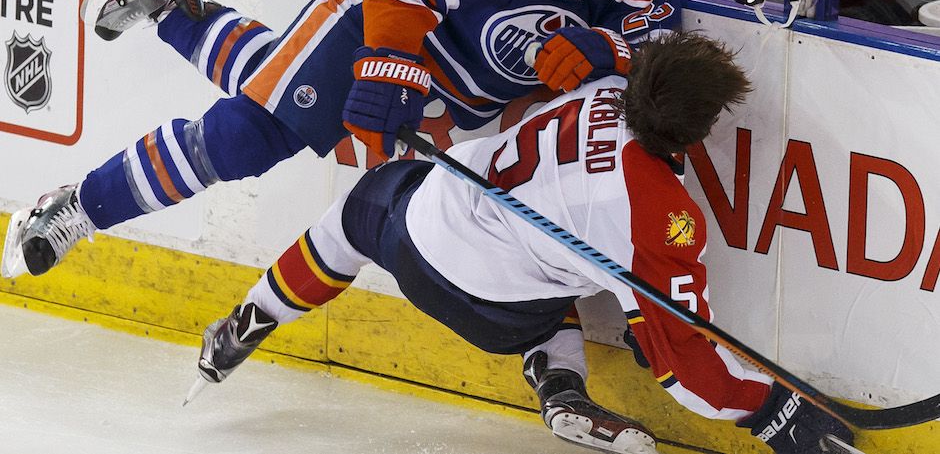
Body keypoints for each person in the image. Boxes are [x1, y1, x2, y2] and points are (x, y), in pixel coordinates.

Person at [2, 0, 681, 284]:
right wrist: (390, 63)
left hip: (460, 83)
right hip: (376, 16)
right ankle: (77, 209)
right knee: (249, 137)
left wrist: (609, 47)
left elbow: (656, 43)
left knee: (273, 86)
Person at [188, 31, 856, 454]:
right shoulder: (657, 216)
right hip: (495, 309)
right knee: (549, 291)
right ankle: (558, 384)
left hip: (420, 228)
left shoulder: (604, 88)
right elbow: (682, 367)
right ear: (696, 131)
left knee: (354, 215)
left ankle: (253, 317)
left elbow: (623, 49)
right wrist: (769, 411)